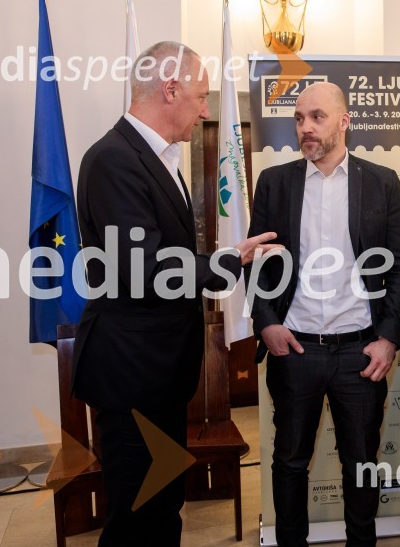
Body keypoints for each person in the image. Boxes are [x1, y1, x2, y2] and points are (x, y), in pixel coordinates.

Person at [72, 41, 277, 547]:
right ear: (170, 89)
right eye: (201, 96)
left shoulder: (158, 158)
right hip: (131, 374)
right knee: (137, 517)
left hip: (159, 372)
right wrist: (230, 260)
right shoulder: (115, 160)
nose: (205, 110)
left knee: (163, 509)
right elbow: (146, 268)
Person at [247, 81, 400, 547]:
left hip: (360, 352)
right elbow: (257, 263)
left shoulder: (381, 182)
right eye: (299, 118)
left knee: (360, 465)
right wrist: (266, 323)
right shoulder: (274, 183)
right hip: (294, 349)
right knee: (290, 462)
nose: (305, 128)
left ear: (344, 121)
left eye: (317, 117)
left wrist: (388, 337)